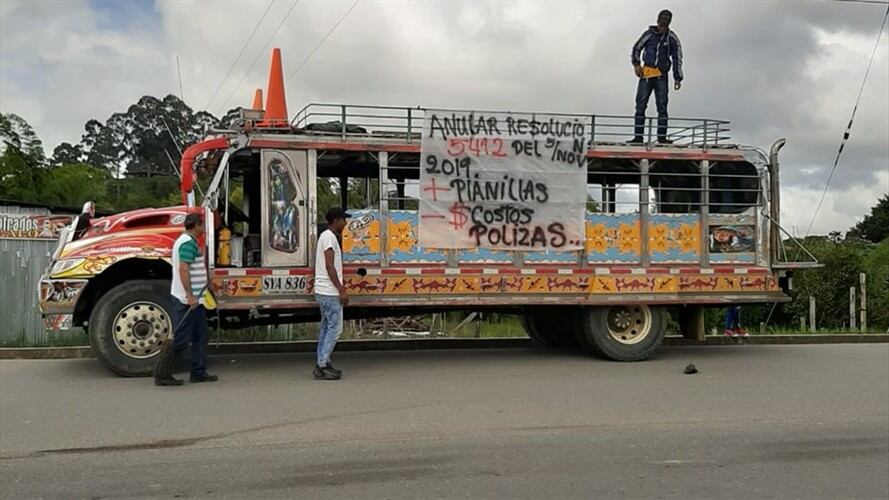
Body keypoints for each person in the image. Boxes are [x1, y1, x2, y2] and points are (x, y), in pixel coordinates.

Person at [154, 213, 218, 386]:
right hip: (188, 300)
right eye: (202, 225)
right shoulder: (188, 243)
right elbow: (184, 269)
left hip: (196, 299)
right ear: (195, 225)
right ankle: (163, 374)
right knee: (182, 338)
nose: (203, 229)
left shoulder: (183, 241)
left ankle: (198, 372)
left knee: (201, 335)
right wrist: (189, 295)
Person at [629, 9, 684, 144]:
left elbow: (677, 56)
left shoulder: (672, 38)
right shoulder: (648, 34)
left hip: (662, 75)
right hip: (646, 73)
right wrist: (636, 65)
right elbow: (636, 48)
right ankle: (638, 136)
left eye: (667, 19)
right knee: (640, 105)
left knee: (662, 106)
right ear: (658, 19)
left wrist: (677, 77)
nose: (664, 21)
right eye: (662, 18)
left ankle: (661, 137)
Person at [313, 207, 351, 381]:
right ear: (336, 220)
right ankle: (323, 365)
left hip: (323, 290)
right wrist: (341, 289)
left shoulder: (326, 237)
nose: (346, 222)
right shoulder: (329, 238)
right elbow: (330, 266)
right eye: (344, 219)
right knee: (335, 329)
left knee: (326, 328)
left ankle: (322, 362)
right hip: (329, 291)